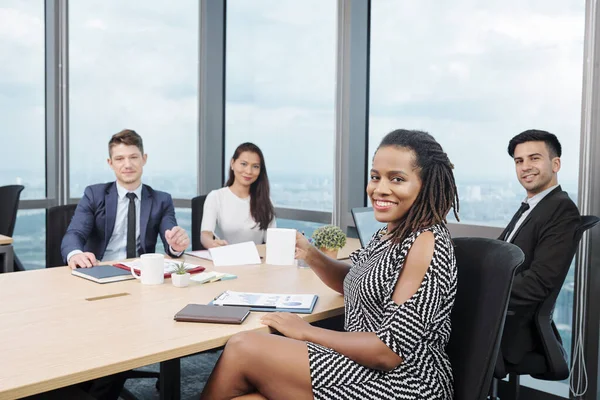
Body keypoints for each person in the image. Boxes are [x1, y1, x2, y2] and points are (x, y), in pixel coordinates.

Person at [200, 129, 460, 400]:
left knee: (244, 347)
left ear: (426, 183)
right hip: (361, 363)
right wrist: (311, 254)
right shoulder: (392, 232)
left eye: (397, 179)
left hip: (404, 382)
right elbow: (353, 280)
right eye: (375, 177)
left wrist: (307, 332)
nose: (379, 188)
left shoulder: (425, 242)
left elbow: (388, 352)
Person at [499, 129, 580, 366]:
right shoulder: (532, 207)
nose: (525, 167)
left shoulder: (561, 210)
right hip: (498, 318)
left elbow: (539, 283)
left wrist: (483, 293)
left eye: (534, 158)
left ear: (555, 164)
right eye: (519, 161)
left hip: (513, 330)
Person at [62, 129, 190, 269]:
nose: (127, 165)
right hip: (100, 270)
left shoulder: (161, 200)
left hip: (142, 274)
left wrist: (176, 246)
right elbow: (75, 233)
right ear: (110, 163)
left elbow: (171, 240)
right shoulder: (94, 194)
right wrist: (75, 254)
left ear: (144, 159)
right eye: (119, 159)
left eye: (133, 157)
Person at [200, 142, 276, 248]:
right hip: (225, 259)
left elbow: (272, 241)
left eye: (255, 166)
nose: (249, 171)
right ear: (232, 163)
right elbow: (205, 235)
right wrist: (212, 244)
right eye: (244, 164)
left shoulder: (266, 201)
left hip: (257, 261)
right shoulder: (216, 197)